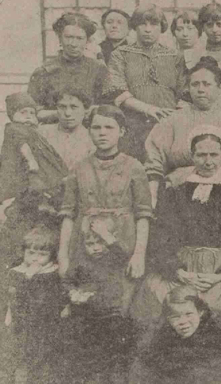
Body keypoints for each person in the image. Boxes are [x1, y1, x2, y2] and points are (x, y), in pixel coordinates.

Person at [138, 125, 221, 345]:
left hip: (220, 271)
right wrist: (177, 271)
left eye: (214, 155)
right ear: (192, 156)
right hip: (183, 270)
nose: (208, 161)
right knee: (158, 300)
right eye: (201, 155)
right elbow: (161, 236)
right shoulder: (175, 194)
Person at [144, 56, 221, 209]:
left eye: (207, 84)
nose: (201, 89)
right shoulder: (173, 119)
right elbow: (154, 159)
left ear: (219, 87)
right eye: (195, 84)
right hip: (180, 194)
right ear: (188, 88)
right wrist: (153, 198)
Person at [58, 106, 152, 304]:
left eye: (109, 127)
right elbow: (68, 214)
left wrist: (138, 255)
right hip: (85, 242)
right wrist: (63, 256)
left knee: (119, 301)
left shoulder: (134, 167)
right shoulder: (79, 167)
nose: (102, 133)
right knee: (83, 300)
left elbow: (143, 215)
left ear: (122, 132)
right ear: (89, 131)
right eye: (96, 127)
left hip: (122, 242)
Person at [0, 93, 68, 281]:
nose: (28, 116)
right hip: (30, 185)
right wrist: (32, 162)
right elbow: (24, 148)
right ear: (12, 115)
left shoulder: (35, 133)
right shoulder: (15, 130)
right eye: (22, 112)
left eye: (31, 113)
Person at [105, 4, 187, 161]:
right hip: (133, 127)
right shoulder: (121, 55)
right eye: (143, 24)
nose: (148, 29)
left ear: (161, 27)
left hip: (168, 125)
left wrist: (174, 116)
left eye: (154, 24)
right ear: (135, 27)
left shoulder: (174, 56)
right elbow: (116, 90)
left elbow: (184, 92)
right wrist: (148, 109)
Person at [61, 214, 137, 383]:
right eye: (90, 244)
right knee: (85, 354)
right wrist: (73, 292)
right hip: (85, 314)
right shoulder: (80, 261)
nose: (96, 248)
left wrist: (106, 235)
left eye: (100, 242)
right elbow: (67, 281)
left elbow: (123, 254)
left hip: (110, 314)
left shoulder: (113, 258)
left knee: (112, 355)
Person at [0, 225, 65, 384]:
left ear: (51, 255)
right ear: (24, 252)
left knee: (41, 358)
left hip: (45, 324)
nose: (35, 258)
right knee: (19, 354)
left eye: (42, 254)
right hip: (22, 323)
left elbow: (55, 298)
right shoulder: (16, 272)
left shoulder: (52, 272)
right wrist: (27, 277)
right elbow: (14, 297)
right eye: (31, 253)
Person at [131, 285, 221, 384]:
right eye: (175, 317)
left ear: (200, 312)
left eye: (188, 314)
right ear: (167, 318)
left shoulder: (212, 336)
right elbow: (149, 363)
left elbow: (215, 373)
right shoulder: (164, 335)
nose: (183, 321)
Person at [28, 12, 107, 124]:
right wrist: (61, 114)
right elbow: (34, 111)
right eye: (68, 37)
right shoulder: (44, 72)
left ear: (87, 41)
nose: (73, 44)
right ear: (60, 38)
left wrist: (93, 110)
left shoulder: (99, 69)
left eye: (79, 38)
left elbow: (109, 107)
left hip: (89, 131)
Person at [37, 89, 95, 170]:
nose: (67, 113)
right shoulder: (42, 133)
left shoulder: (92, 137)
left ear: (85, 111)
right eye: (62, 107)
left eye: (74, 107)